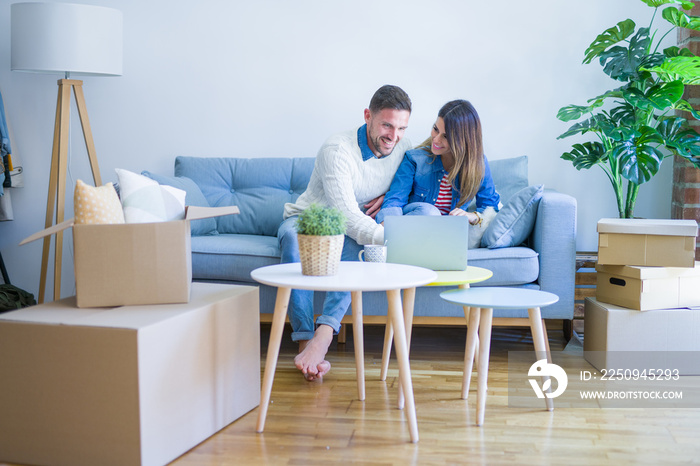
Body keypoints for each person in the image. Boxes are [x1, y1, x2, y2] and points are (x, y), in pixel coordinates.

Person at [278, 85, 413, 381]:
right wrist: (392, 239)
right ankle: (305, 342)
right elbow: (346, 216)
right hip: (308, 219)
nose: (394, 135)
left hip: (352, 228)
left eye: (401, 127)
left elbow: (423, 165)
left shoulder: (403, 147)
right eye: (387, 125)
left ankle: (322, 338)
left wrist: (391, 195)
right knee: (295, 240)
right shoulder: (337, 149)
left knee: (356, 251)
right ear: (368, 116)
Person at [376, 100, 500, 243]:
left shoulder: (477, 165)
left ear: (463, 141)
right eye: (436, 129)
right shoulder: (415, 159)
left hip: (447, 238)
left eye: (446, 136)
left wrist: (472, 217)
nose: (436, 139)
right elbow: (395, 200)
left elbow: (490, 208)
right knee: (430, 213)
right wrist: (386, 233)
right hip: (412, 234)